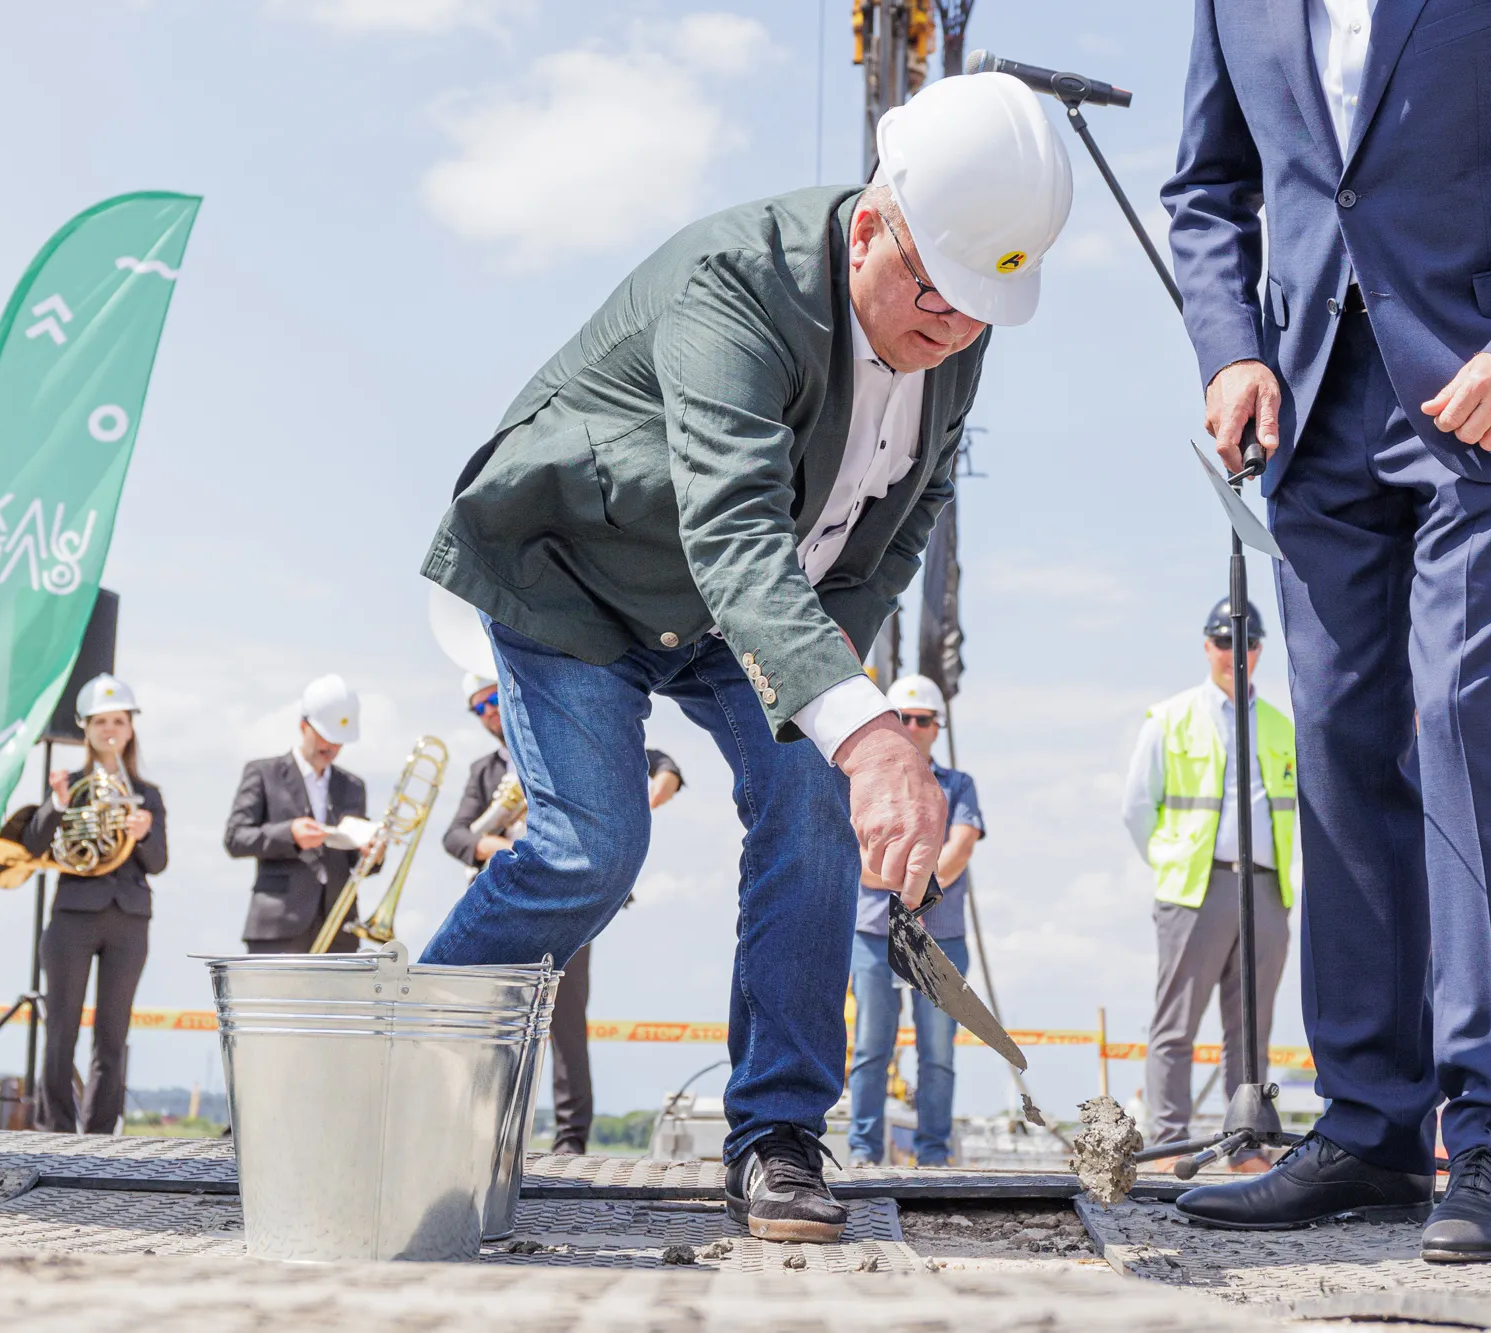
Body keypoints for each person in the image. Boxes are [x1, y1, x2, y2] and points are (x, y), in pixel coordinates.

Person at [412, 74, 1073, 1243]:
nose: (950, 331)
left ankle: (775, 1134)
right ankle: (406, 1077)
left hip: (743, 614)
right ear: (870, 221)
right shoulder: (737, 286)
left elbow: (898, 526)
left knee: (812, 798)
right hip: (578, 579)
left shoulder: (954, 328)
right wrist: (869, 731)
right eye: (931, 295)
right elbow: (731, 528)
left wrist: (842, 716)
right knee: (591, 846)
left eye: (977, 312)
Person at [1161, 0, 1491, 1260]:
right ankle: (1370, 1126)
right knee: (1339, 745)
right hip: (1308, 404)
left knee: (1463, 723)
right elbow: (1204, 186)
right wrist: (1228, 348)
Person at [442, 671, 685, 1156]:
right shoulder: (484, 771)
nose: (489, 711)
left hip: (568, 900)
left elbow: (664, 766)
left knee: (566, 1023)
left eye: (491, 698)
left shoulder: (564, 747)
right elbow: (456, 836)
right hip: (510, 898)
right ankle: (488, 1131)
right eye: (478, 707)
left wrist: (638, 805)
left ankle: (571, 1140)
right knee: (494, 1024)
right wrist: (503, 845)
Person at [1120, 598, 1295, 1161]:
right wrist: (1173, 862)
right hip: (1196, 889)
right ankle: (1170, 1140)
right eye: (1224, 643)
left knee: (1252, 1029)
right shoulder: (1169, 718)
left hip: (1266, 890)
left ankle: (1246, 1144)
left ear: (1259, 649)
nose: (1234, 654)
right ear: (1207, 647)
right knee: (1177, 1024)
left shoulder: (1279, 725)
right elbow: (1137, 808)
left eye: (1244, 643)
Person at [846, 674, 983, 1168]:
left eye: (922, 719)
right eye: (902, 717)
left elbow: (960, 848)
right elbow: (858, 859)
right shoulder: (860, 788)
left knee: (939, 1055)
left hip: (941, 938)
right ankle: (862, 1151)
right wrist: (923, 882)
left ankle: (933, 1154)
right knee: (869, 1048)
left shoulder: (959, 785)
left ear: (936, 727)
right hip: (874, 934)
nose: (912, 726)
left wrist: (903, 881)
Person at [23, 675, 165, 1133]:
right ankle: (56, 1132)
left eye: (118, 721)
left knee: (113, 1035)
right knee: (61, 1027)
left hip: (129, 916)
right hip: (74, 916)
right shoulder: (72, 785)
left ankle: (102, 1134)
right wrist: (57, 805)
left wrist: (142, 834)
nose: (110, 729)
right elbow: (34, 846)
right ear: (85, 726)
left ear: (130, 728)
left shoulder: (149, 794)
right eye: (101, 721)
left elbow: (159, 862)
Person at [224, 675, 380, 954]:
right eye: (324, 736)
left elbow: (358, 862)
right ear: (303, 726)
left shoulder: (353, 786)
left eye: (339, 740)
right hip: (278, 927)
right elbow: (235, 838)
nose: (331, 747)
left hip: (339, 931)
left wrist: (374, 853)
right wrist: (289, 834)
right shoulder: (263, 773)